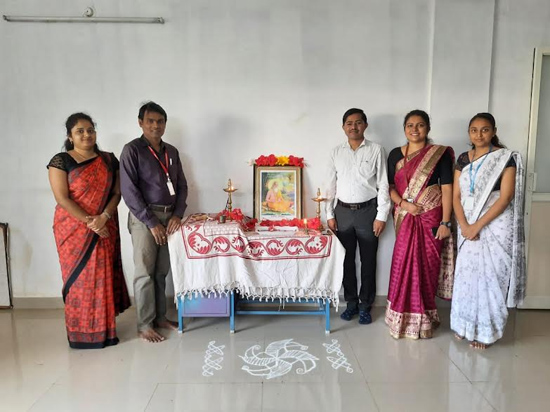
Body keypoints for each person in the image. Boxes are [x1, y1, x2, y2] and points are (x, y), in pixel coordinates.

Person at [48, 113, 130, 349]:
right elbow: (62, 198)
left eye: (90, 130)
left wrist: (103, 218)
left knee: (101, 276)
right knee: (78, 279)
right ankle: (80, 334)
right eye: (80, 131)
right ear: (70, 136)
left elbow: (117, 193)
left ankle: (104, 332)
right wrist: (91, 222)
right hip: (72, 230)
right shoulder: (61, 161)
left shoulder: (108, 160)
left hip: (105, 226)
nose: (86, 135)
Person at [451, 112, 525, 349]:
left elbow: (505, 198)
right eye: (474, 130)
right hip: (466, 222)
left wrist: (477, 225)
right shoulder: (463, 158)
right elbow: (456, 196)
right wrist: (465, 225)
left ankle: (487, 331)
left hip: (496, 223)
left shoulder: (505, 158)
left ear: (494, 131)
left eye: (484, 130)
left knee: (492, 276)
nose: (479, 135)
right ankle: (464, 325)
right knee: (467, 275)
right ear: (469, 133)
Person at [120, 102, 188, 343]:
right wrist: (151, 222)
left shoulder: (172, 152)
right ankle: (145, 325)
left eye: (160, 121)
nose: (155, 125)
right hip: (144, 219)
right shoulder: (132, 150)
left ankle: (160, 318)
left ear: (165, 124)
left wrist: (177, 215)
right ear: (141, 123)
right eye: (150, 121)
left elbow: (181, 185)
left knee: (161, 272)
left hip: (170, 219)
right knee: (144, 273)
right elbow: (129, 191)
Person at [385, 110, 454, 339]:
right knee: (402, 263)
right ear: (404, 128)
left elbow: (447, 189)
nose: (415, 129)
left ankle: (424, 319)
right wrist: (404, 204)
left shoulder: (439, 154)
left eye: (420, 125)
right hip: (405, 216)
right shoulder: (395, 154)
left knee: (427, 268)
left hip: (431, 218)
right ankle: (400, 318)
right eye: (410, 125)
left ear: (428, 128)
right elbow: (389, 188)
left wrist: (445, 222)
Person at [325, 108, 391, 324]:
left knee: (368, 261)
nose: (354, 127)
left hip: (368, 212)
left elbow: (383, 184)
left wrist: (381, 216)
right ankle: (351, 303)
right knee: (346, 260)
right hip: (342, 212)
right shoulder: (336, 152)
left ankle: (365, 306)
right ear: (343, 127)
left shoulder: (376, 150)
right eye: (349, 123)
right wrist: (329, 214)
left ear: (365, 125)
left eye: (358, 122)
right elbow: (330, 185)